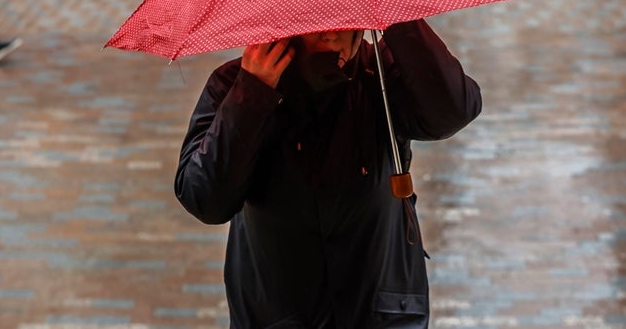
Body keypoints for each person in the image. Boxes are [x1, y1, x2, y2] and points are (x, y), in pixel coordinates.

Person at [175, 19, 482, 328]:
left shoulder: (381, 72)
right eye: (315, 20)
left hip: (383, 312)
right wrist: (253, 91)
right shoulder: (234, 83)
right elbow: (205, 198)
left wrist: (399, 21)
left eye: (345, 17)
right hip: (277, 314)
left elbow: (452, 111)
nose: (331, 30)